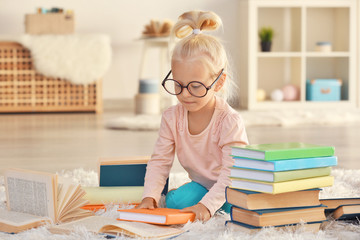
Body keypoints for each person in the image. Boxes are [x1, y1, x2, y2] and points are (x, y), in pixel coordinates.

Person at [137, 10, 249, 221]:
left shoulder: (229, 121)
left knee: (241, 207)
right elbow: (160, 161)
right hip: (203, 185)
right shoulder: (172, 117)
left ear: (219, 82)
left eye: (196, 86)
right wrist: (150, 197)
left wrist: (207, 206)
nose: (185, 94)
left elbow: (233, 174)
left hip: (236, 186)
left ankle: (219, 206)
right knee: (174, 202)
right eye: (178, 85)